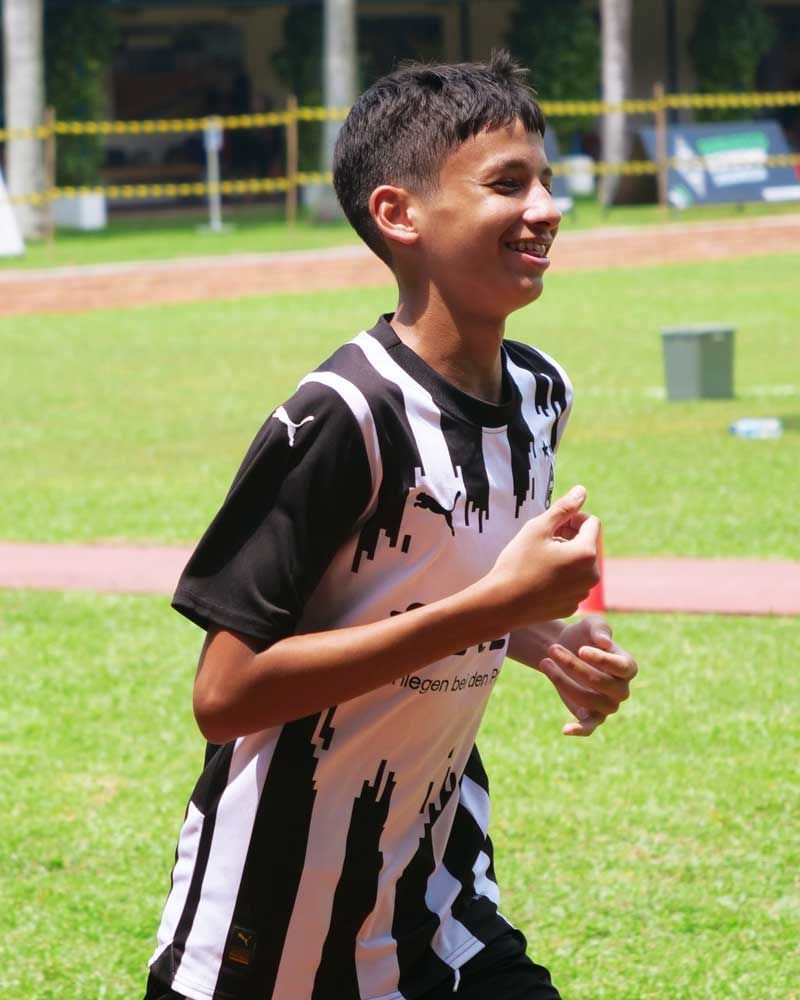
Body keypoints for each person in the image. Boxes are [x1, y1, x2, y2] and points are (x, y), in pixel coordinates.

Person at [143, 51, 637, 1000]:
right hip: (275, 924)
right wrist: (494, 606)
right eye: (507, 183)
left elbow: (429, 585)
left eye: (545, 177)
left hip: (439, 896)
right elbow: (227, 694)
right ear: (398, 215)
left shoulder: (540, 395)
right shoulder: (343, 416)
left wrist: (547, 640)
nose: (546, 207)